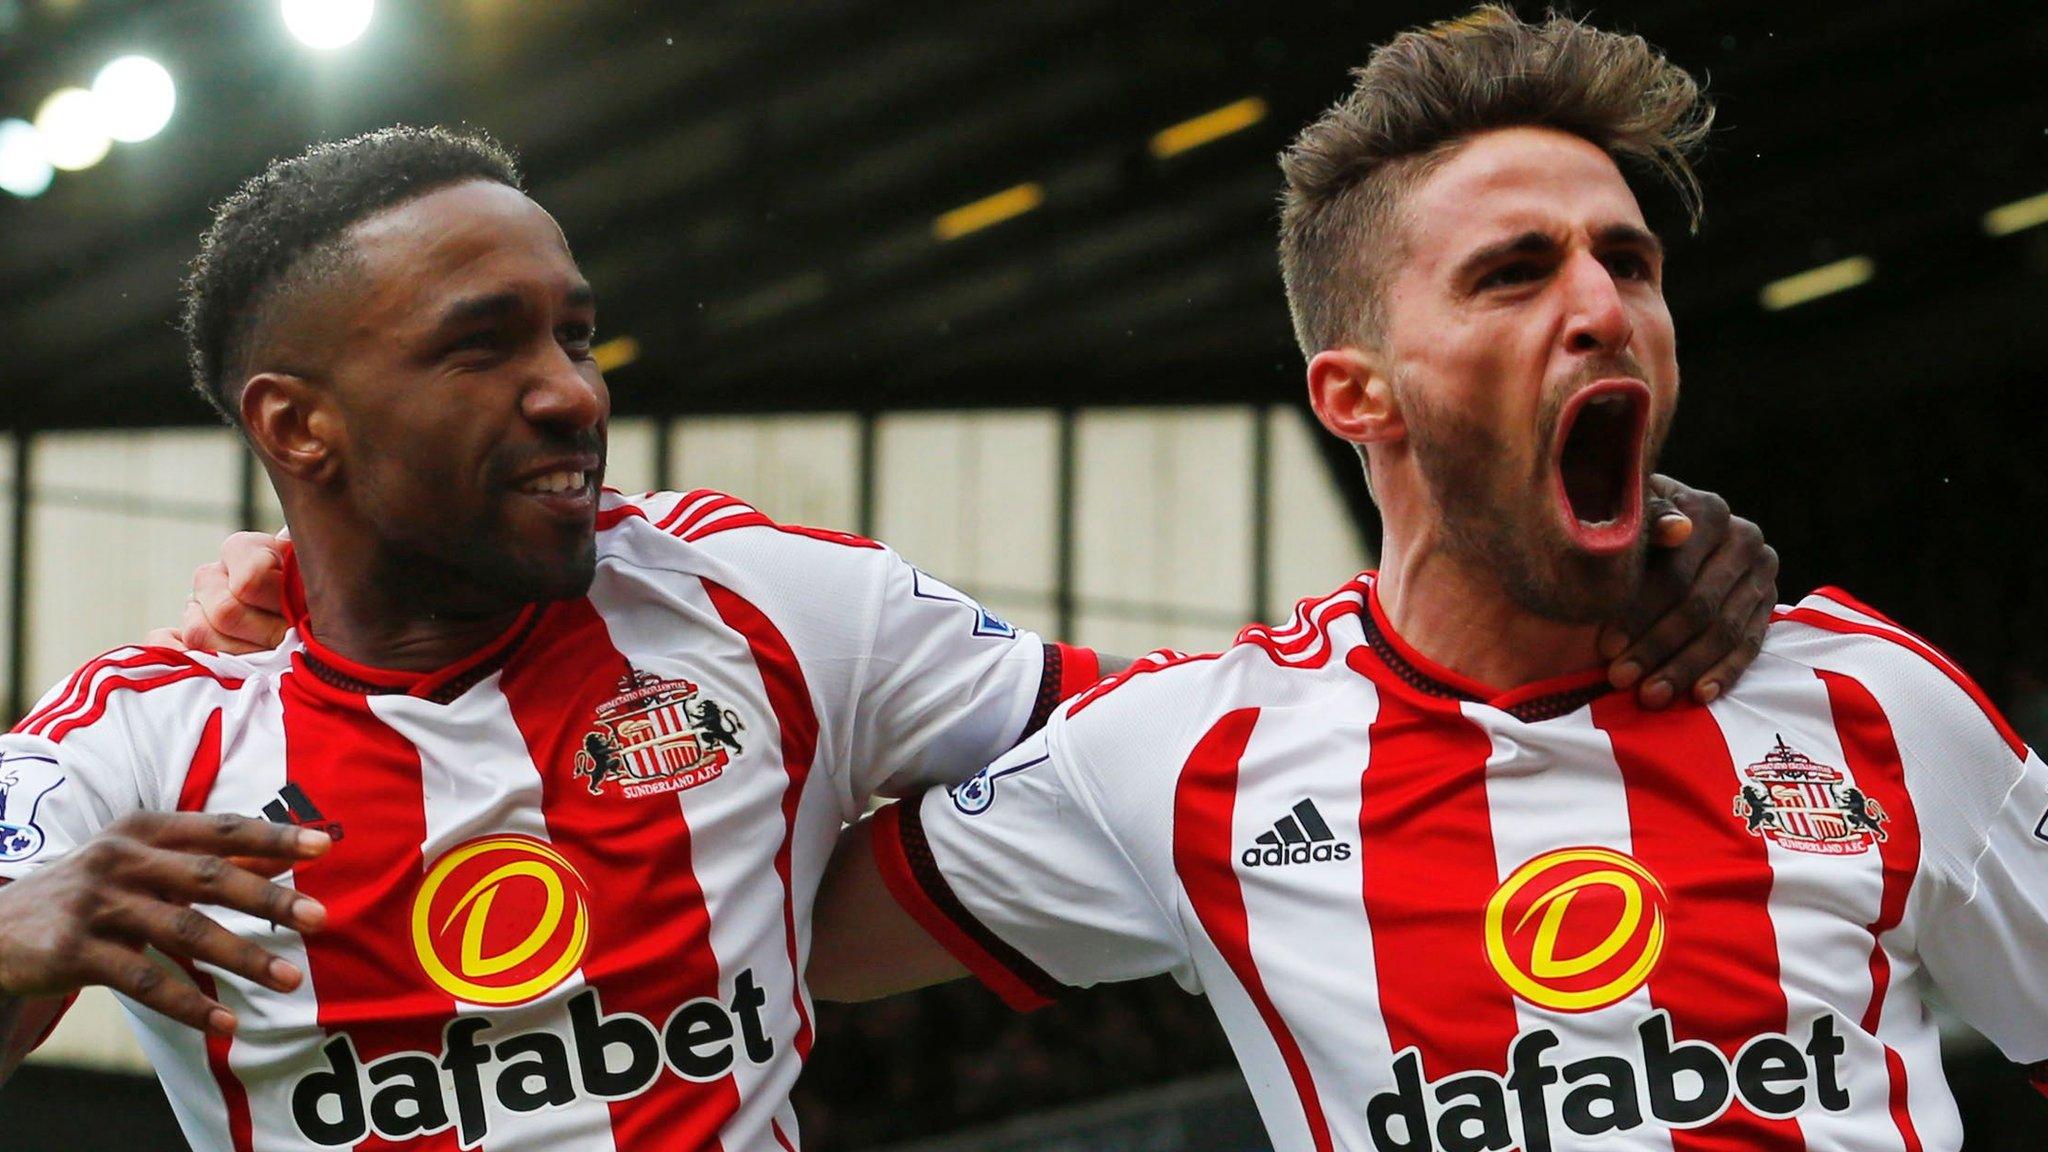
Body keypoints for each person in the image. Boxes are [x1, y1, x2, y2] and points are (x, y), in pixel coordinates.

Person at [0, 124, 1768, 1152]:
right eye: (484, 346)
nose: (569, 393)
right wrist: (22, 930)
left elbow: (1239, 734)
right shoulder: (138, 745)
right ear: (296, 426)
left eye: (578, 332)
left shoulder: (759, 608)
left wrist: (1575, 546)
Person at [810, 9, 2048, 1152]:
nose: (1600, 307)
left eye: (1626, 262)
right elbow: (788, 930)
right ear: (1356, 395)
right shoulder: (1189, 758)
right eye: (1513, 271)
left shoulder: (1876, 704)